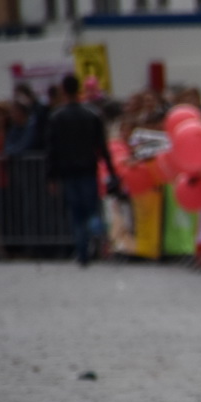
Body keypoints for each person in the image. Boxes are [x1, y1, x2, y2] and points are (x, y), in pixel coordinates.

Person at [45, 72, 123, 266]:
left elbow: (52, 149)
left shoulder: (57, 117)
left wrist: (51, 176)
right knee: (91, 210)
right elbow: (102, 147)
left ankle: (82, 252)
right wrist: (111, 171)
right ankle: (97, 240)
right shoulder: (92, 114)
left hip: (69, 172)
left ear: (63, 90)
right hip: (88, 169)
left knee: (76, 212)